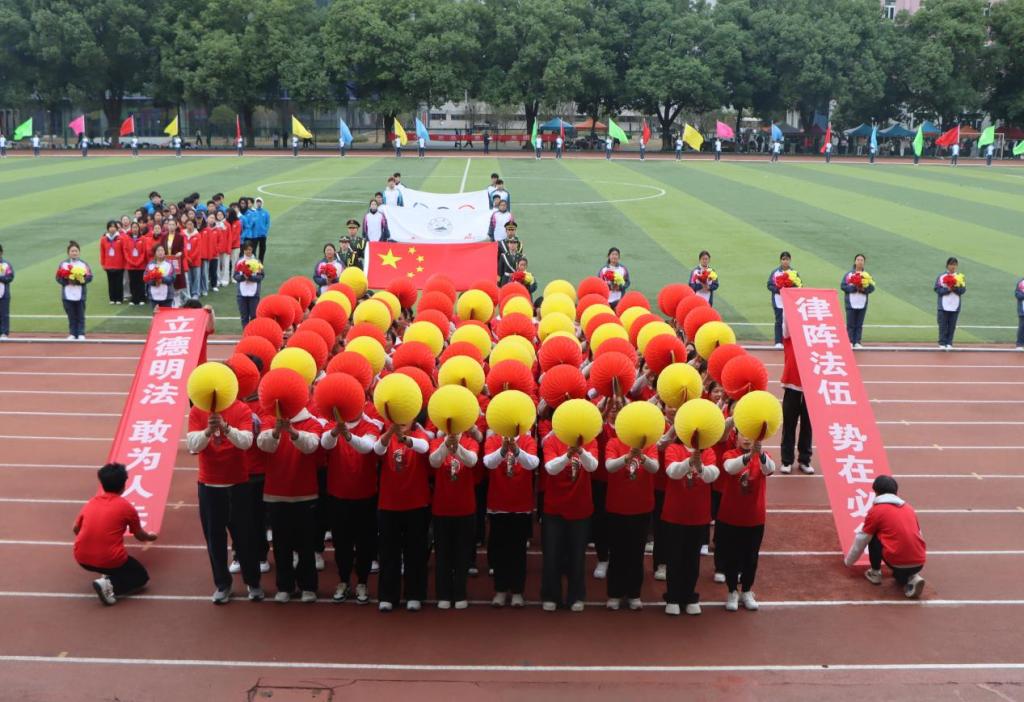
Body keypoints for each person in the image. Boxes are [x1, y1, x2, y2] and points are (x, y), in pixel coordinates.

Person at [187, 395, 263, 603]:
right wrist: (208, 431)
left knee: (245, 537)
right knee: (214, 540)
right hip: (209, 485)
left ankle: (253, 582)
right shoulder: (197, 410)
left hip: (238, 484)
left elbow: (246, 442)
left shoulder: (242, 409)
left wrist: (226, 427)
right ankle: (222, 584)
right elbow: (193, 445)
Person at [257, 401, 326, 603]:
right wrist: (276, 431)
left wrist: (293, 432)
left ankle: (308, 586)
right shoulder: (269, 420)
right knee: (281, 544)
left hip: (305, 493)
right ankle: (284, 586)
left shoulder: (312, 422)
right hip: (276, 492)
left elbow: (311, 446)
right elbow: (263, 445)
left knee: (306, 543)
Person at [74, 463, 158, 605]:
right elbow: (140, 536)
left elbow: (76, 529)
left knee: (114, 564)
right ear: (124, 485)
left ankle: (107, 574)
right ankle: (110, 585)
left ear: (102, 484)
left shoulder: (91, 502)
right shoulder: (126, 507)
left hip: (81, 558)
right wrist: (151, 537)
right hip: (110, 559)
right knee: (140, 576)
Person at [321, 410, 379, 604]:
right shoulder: (332, 425)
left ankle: (362, 581)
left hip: (365, 495)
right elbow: (325, 443)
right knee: (341, 542)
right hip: (338, 495)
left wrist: (347, 435)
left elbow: (366, 447)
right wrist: (336, 431)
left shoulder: (371, 426)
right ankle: (344, 580)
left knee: (365, 542)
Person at [374, 421, 431, 612]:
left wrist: (405, 439)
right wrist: (390, 433)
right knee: (388, 551)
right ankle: (387, 596)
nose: (403, 422)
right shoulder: (386, 437)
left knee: (415, 551)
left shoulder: (419, 435)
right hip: (389, 503)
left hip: (416, 503)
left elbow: (424, 447)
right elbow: (378, 449)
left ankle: (414, 594)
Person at [541, 433, 598, 612]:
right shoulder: (552, 441)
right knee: (552, 554)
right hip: (554, 507)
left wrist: (580, 451)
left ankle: (576, 595)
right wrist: (567, 455)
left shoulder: (590, 440)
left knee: (577, 555)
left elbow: (592, 466)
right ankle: (551, 595)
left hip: (580, 507)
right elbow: (550, 468)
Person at [844, 475, 926, 599]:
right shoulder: (909, 509)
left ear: (876, 492)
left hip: (896, 561)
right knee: (900, 575)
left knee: (872, 535)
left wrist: (849, 561)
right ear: (896, 491)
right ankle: (912, 576)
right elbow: (919, 534)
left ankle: (875, 573)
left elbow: (862, 538)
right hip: (919, 561)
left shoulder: (876, 511)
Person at [661, 440, 719, 616]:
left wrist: (699, 466)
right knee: (674, 557)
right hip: (675, 514)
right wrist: (689, 461)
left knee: (692, 558)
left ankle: (689, 595)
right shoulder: (673, 448)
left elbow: (712, 476)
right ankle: (672, 596)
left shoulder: (708, 452)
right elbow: (672, 472)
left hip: (698, 515)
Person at [604, 433, 660, 611]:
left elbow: (654, 468)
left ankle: (634, 594)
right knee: (617, 552)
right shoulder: (613, 443)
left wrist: (641, 456)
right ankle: (614, 593)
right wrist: (627, 457)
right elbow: (609, 466)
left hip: (641, 507)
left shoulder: (649, 445)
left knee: (636, 554)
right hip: (617, 506)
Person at [719, 435, 775, 611]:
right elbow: (730, 468)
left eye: (751, 436)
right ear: (736, 437)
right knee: (731, 556)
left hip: (754, 517)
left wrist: (760, 454)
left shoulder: (764, 456)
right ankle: (732, 591)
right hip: (730, 516)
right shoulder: (729, 454)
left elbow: (769, 469)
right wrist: (749, 456)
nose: (746, 439)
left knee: (751, 557)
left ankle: (747, 590)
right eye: (743, 434)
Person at [483, 431, 539, 608]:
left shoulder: (528, 440)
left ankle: (517, 591)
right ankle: (500, 590)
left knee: (518, 551)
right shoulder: (493, 440)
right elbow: (488, 462)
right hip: (498, 504)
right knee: (499, 550)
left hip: (521, 505)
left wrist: (516, 450)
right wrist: (502, 450)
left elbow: (532, 463)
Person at [429, 432, 479, 610]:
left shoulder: (470, 442)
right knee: (443, 554)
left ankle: (460, 593)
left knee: (462, 554)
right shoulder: (436, 442)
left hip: (465, 508)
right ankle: (443, 594)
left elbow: (471, 461)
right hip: (442, 508)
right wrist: (445, 445)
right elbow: (434, 461)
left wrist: (457, 446)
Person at [779, 323, 813, 474]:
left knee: (808, 424)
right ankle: (786, 460)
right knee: (789, 424)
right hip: (792, 385)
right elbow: (787, 322)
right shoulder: (790, 335)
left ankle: (804, 460)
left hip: (811, 387)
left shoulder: (814, 338)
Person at [56, 241, 93, 340]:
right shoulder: (63, 264)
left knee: (80, 314)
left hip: (80, 294)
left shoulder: (83, 264)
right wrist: (67, 281)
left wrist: (78, 281)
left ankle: (81, 333)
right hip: (67, 294)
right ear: (68, 253)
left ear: (79, 252)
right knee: (71, 315)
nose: (74, 253)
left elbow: (89, 277)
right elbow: (58, 277)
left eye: (76, 251)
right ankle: (72, 333)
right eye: (72, 251)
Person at [840, 253, 875, 348]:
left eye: (862, 260)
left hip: (862, 302)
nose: (860, 262)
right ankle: (850, 341)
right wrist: (854, 288)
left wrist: (864, 289)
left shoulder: (867, 275)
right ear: (855, 262)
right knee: (850, 323)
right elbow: (843, 286)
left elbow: (872, 288)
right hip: (851, 303)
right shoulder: (849, 274)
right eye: (858, 260)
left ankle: (857, 342)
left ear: (864, 262)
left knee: (859, 324)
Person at [935, 256, 965, 349]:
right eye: (951, 264)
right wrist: (947, 290)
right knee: (942, 325)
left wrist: (954, 288)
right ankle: (942, 342)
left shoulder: (960, 277)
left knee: (952, 325)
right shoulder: (941, 277)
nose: (953, 266)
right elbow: (937, 289)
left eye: (955, 265)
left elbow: (963, 290)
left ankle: (949, 343)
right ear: (947, 265)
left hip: (955, 305)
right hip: (943, 305)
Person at [767, 251, 792, 348]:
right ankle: (778, 341)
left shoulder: (793, 273)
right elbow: (769, 285)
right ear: (780, 260)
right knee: (779, 320)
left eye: (787, 259)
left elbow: (799, 285)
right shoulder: (775, 272)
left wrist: (789, 289)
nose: (785, 261)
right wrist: (778, 290)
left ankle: (789, 342)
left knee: (790, 321)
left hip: (789, 301)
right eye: (783, 259)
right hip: (778, 300)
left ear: (790, 260)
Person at [234, 242, 263, 327]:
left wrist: (250, 277)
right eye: (246, 249)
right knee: (244, 317)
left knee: (254, 316)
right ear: (243, 250)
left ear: (252, 249)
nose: (248, 251)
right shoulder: (239, 261)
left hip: (254, 294)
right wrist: (243, 277)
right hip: (241, 294)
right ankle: (246, 333)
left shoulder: (257, 262)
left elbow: (261, 276)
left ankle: (253, 332)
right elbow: (235, 276)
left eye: (250, 249)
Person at [99, 221, 125, 305]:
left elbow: (124, 252)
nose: (112, 228)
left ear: (116, 228)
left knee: (119, 282)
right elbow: (102, 252)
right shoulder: (103, 239)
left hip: (119, 264)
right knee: (111, 282)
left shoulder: (121, 238)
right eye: (110, 227)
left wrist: (124, 264)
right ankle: (112, 298)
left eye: (114, 227)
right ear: (108, 229)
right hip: (108, 264)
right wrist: (103, 264)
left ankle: (119, 299)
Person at [183, 220, 203, 299]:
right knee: (189, 278)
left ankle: (195, 293)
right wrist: (187, 257)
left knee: (196, 277)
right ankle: (190, 292)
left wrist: (191, 257)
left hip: (195, 260)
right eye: (188, 224)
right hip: (186, 260)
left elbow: (198, 249)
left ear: (194, 225)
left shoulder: (197, 235)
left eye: (191, 224)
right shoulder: (183, 234)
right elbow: (183, 247)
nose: (189, 226)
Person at [248, 197, 271, 263]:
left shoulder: (266, 212)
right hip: (255, 235)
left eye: (260, 202)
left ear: (262, 203)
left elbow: (268, 223)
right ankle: (254, 263)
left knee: (262, 249)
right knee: (253, 250)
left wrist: (265, 231)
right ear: (255, 203)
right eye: (257, 202)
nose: (258, 203)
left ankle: (261, 263)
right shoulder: (253, 212)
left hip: (263, 235)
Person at [0, 244, 13, 339]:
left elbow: (9, 277)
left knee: (4, 314)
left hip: (3, 293)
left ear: (1, 253)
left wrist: (0, 278)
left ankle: (4, 332)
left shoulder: (6, 265)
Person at [1016, 275, 1024, 350]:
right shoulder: (1021, 283)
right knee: (1022, 327)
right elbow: (1018, 295)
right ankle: (1019, 344)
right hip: (1023, 310)